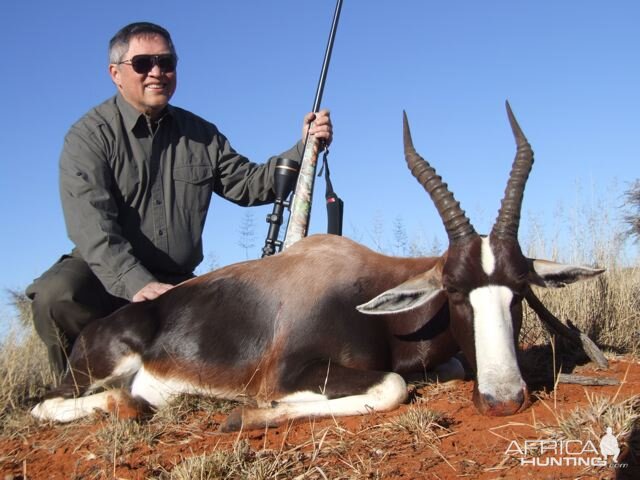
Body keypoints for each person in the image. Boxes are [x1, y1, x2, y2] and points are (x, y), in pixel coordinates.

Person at [26, 21, 333, 379]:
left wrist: (304, 147)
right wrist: (138, 284)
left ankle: (165, 379)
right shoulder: (89, 137)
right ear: (116, 73)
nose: (156, 72)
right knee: (57, 295)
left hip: (177, 283)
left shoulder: (201, 134)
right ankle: (77, 385)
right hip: (106, 276)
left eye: (166, 62)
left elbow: (250, 185)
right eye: (142, 64)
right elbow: (93, 229)